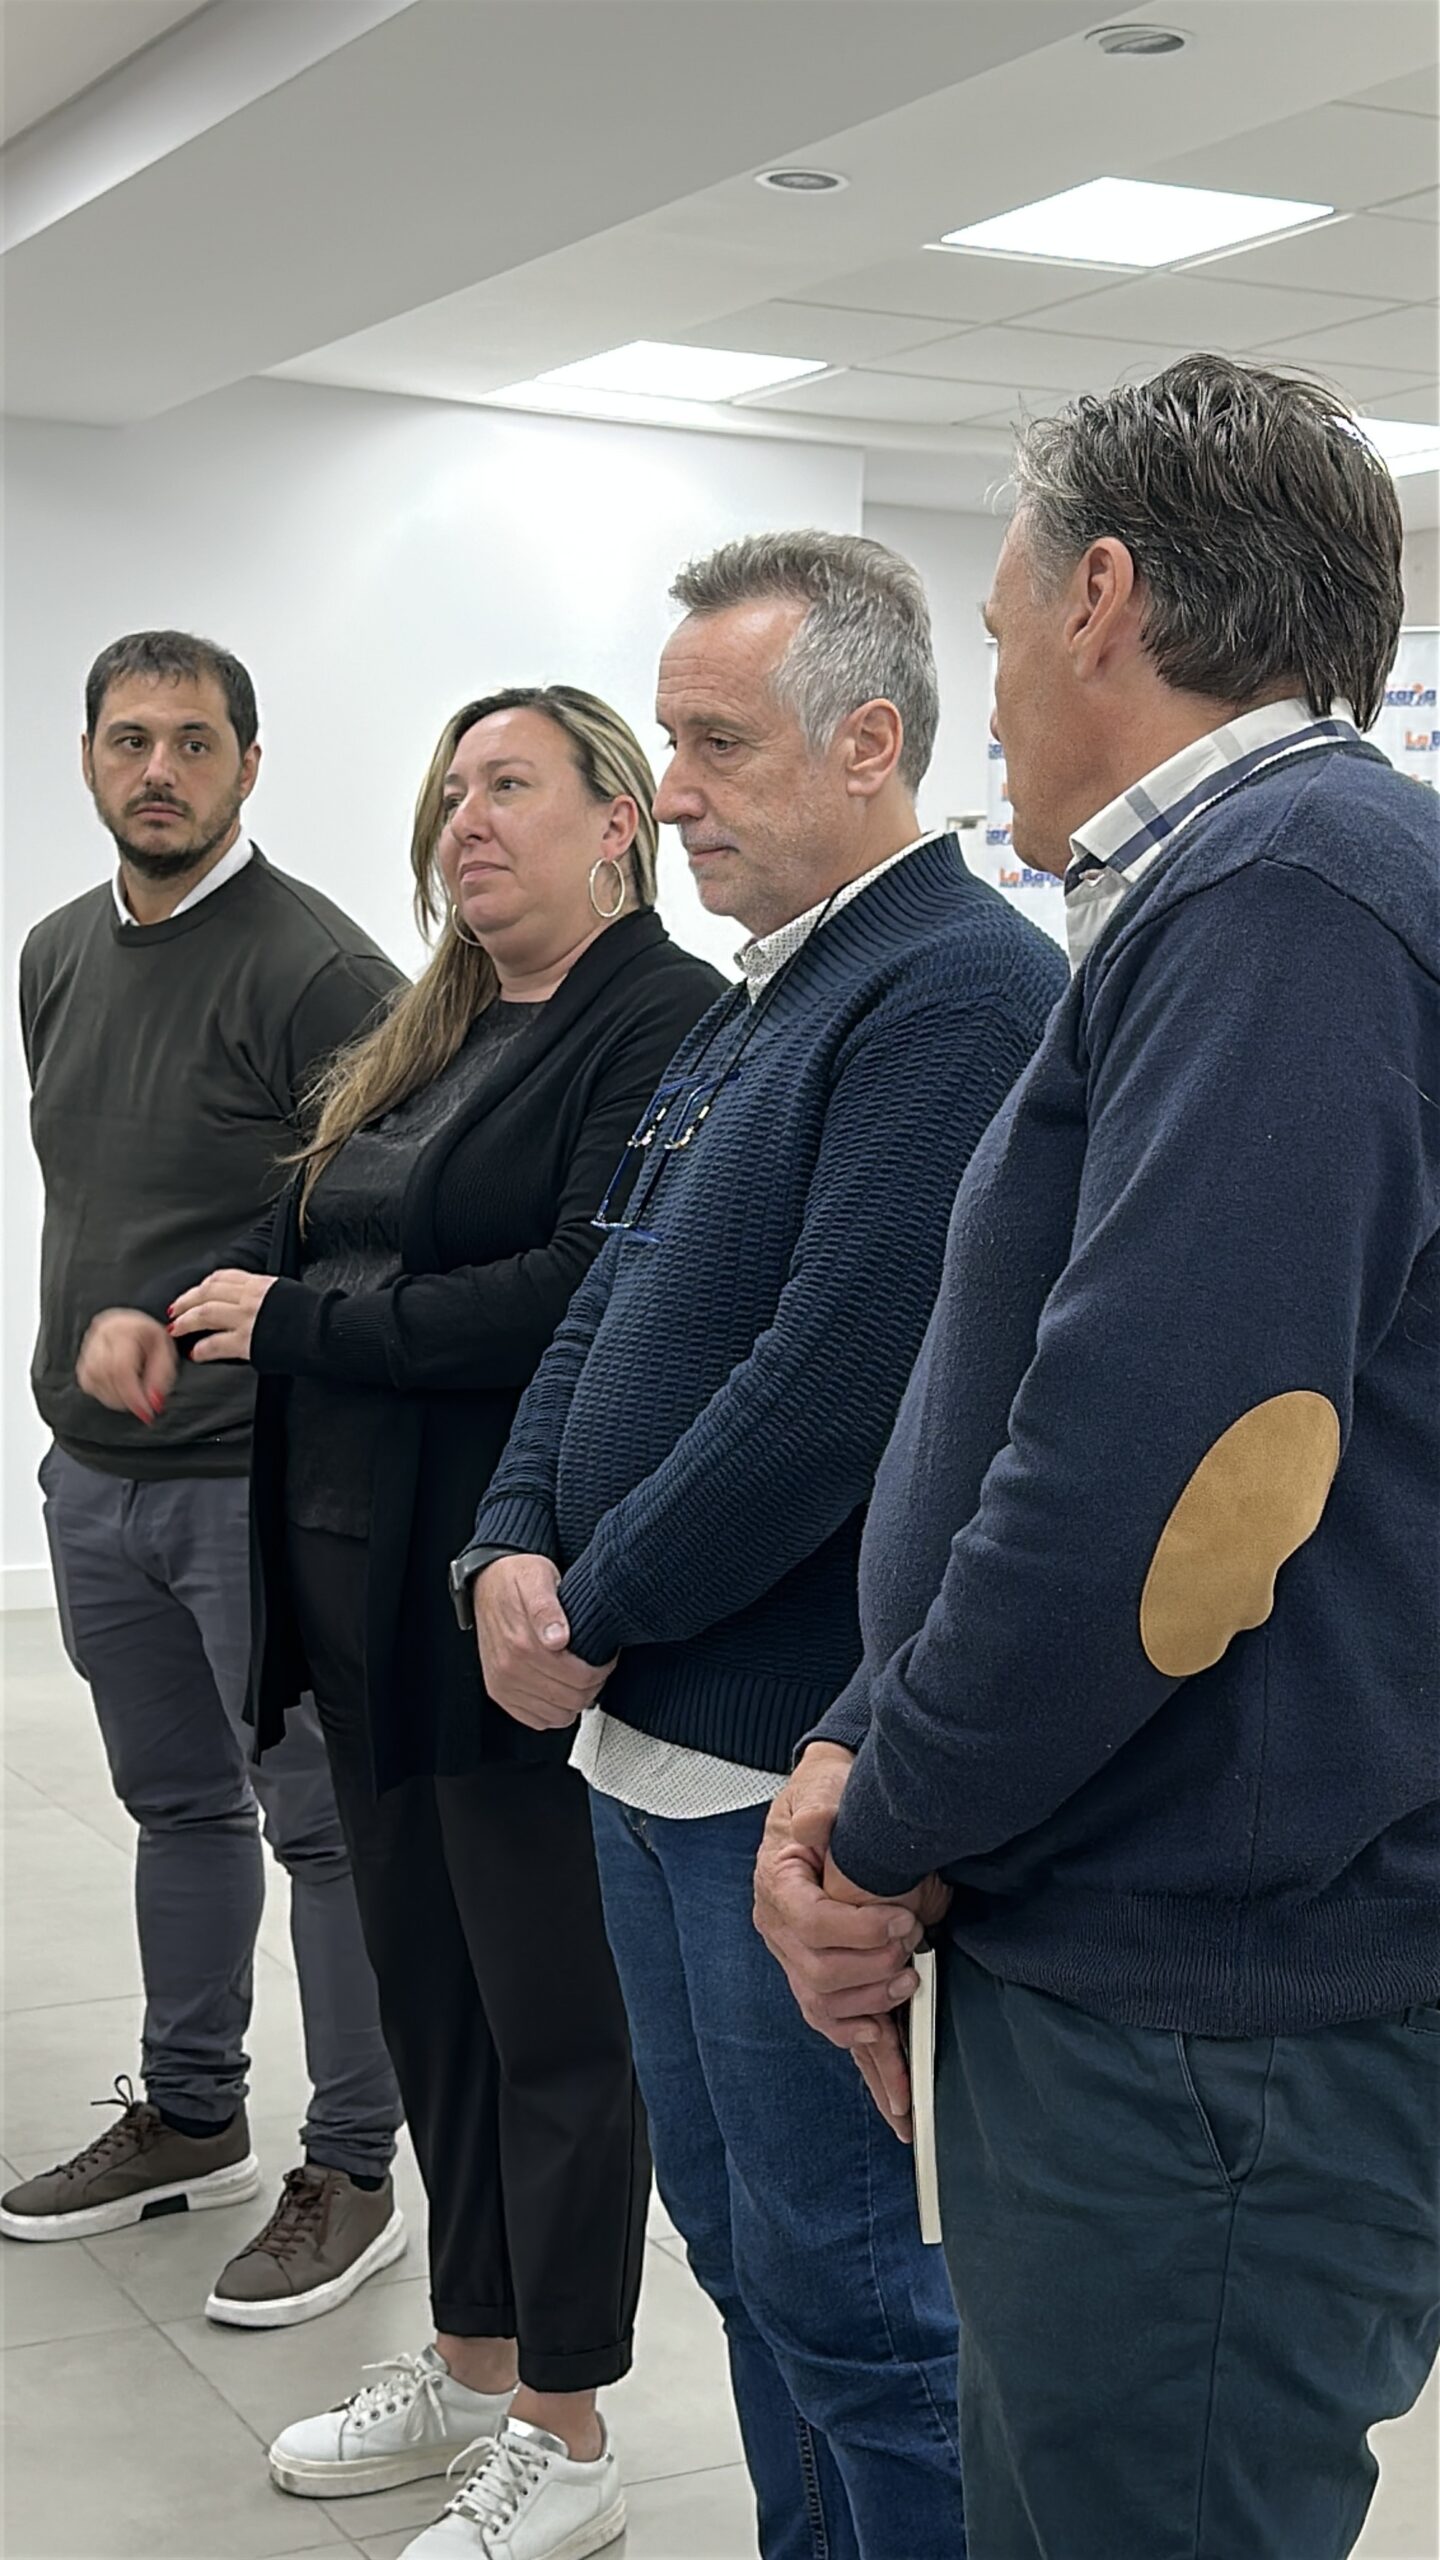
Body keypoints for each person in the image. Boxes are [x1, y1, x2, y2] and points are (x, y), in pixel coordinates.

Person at [756, 359, 1440, 2560]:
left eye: (993, 629)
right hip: (1145, 1948)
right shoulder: (1247, 886)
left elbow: (1174, 1495)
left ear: (1103, 598)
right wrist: (870, 1734)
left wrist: (888, 1819)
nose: (991, 695)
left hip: (1206, 2012)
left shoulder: (1291, 892)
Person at [462, 535, 1067, 2560]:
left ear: (869, 742)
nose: (672, 793)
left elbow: (832, 1387)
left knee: (864, 2307)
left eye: (717, 744)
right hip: (650, 1747)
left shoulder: (956, 991)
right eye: (673, 742)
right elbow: (605, 1309)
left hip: (774, 1760)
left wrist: (593, 1603)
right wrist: (506, 1541)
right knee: (742, 2253)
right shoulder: (768, 994)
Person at [135, 686, 722, 2560]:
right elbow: (315, 1230)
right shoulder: (437, 1028)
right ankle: (472, 2360)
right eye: (452, 788)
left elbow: (575, 1296)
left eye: (510, 785)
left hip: (505, 1595)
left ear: (617, 821)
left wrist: (302, 1325)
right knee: (434, 2003)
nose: (466, 818)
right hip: (354, 1589)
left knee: (551, 2019)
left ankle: (570, 2428)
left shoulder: (665, 1024)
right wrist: (201, 1304)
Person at [9, 629, 406, 2328]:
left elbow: (399, 1218)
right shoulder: (54, 953)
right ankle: (191, 2113)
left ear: (250, 764)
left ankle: (355, 2167)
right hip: (93, 1477)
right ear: (88, 760)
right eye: (128, 740)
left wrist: (219, 1317)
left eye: (192, 741)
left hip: (256, 1483)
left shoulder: (321, 970)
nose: (157, 770)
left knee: (323, 1832)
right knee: (174, 1809)